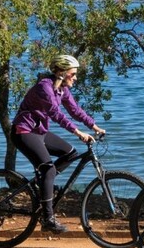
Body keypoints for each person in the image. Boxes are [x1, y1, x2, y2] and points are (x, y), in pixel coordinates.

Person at [10, 54, 106, 234]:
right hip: (24, 132)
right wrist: (78, 132)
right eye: (73, 74)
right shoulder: (44, 88)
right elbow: (56, 114)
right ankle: (48, 219)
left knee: (70, 153)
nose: (76, 78)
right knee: (48, 169)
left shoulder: (62, 89)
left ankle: (44, 182)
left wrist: (94, 126)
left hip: (39, 132)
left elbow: (75, 110)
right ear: (62, 73)